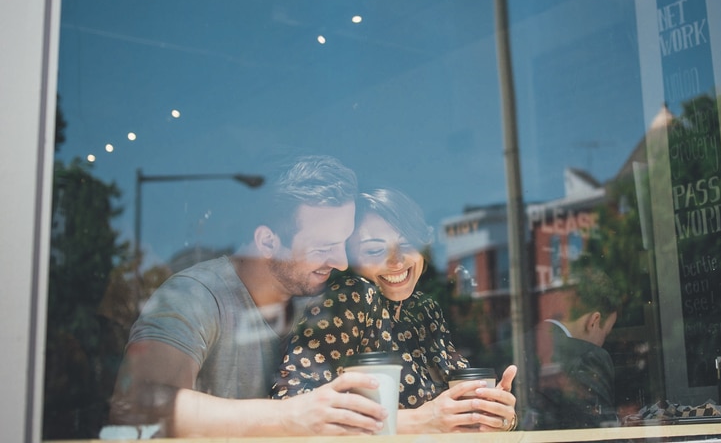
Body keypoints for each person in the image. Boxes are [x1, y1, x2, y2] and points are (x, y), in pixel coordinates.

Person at [107, 155, 390, 437]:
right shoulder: (195, 296)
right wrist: (291, 416)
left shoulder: (324, 302)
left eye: (343, 242)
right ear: (267, 242)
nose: (341, 262)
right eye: (323, 246)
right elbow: (135, 405)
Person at [273, 187, 519, 433]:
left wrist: (497, 413)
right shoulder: (352, 295)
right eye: (374, 250)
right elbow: (291, 404)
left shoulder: (424, 310)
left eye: (407, 244)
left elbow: (462, 396)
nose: (397, 261)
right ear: (350, 258)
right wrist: (423, 421)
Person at [533, 267, 622, 429]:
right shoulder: (590, 356)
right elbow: (602, 431)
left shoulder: (519, 344)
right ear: (594, 321)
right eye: (606, 333)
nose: (603, 341)